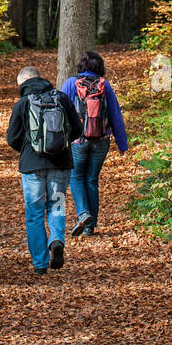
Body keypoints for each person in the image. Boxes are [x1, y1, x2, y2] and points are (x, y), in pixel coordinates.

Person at [6, 66, 82, 277]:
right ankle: (56, 240)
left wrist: (30, 147)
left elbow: (12, 138)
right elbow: (77, 129)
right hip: (60, 164)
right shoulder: (61, 98)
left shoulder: (22, 104)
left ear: (23, 82)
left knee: (35, 214)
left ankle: (40, 262)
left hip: (32, 167)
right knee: (57, 206)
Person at [62, 51, 128, 237]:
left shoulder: (71, 84)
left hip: (77, 141)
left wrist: (59, 141)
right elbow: (116, 115)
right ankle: (90, 226)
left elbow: (60, 110)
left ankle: (83, 214)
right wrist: (122, 144)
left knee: (75, 177)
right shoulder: (104, 85)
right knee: (91, 179)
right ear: (99, 67)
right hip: (101, 140)